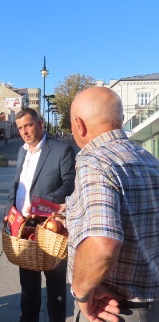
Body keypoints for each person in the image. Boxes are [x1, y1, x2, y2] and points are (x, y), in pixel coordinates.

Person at [66, 87, 159, 322]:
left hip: (113, 310)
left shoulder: (95, 161)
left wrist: (81, 292)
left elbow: (102, 244)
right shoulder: (150, 160)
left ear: (79, 124)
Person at [5, 108, 76, 322]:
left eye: (28, 125)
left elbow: (70, 184)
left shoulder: (62, 150)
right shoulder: (22, 151)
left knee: (55, 288)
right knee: (28, 286)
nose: (24, 131)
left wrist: (41, 204)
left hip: (50, 227)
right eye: (20, 128)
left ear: (40, 124)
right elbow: (17, 184)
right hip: (24, 229)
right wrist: (10, 208)